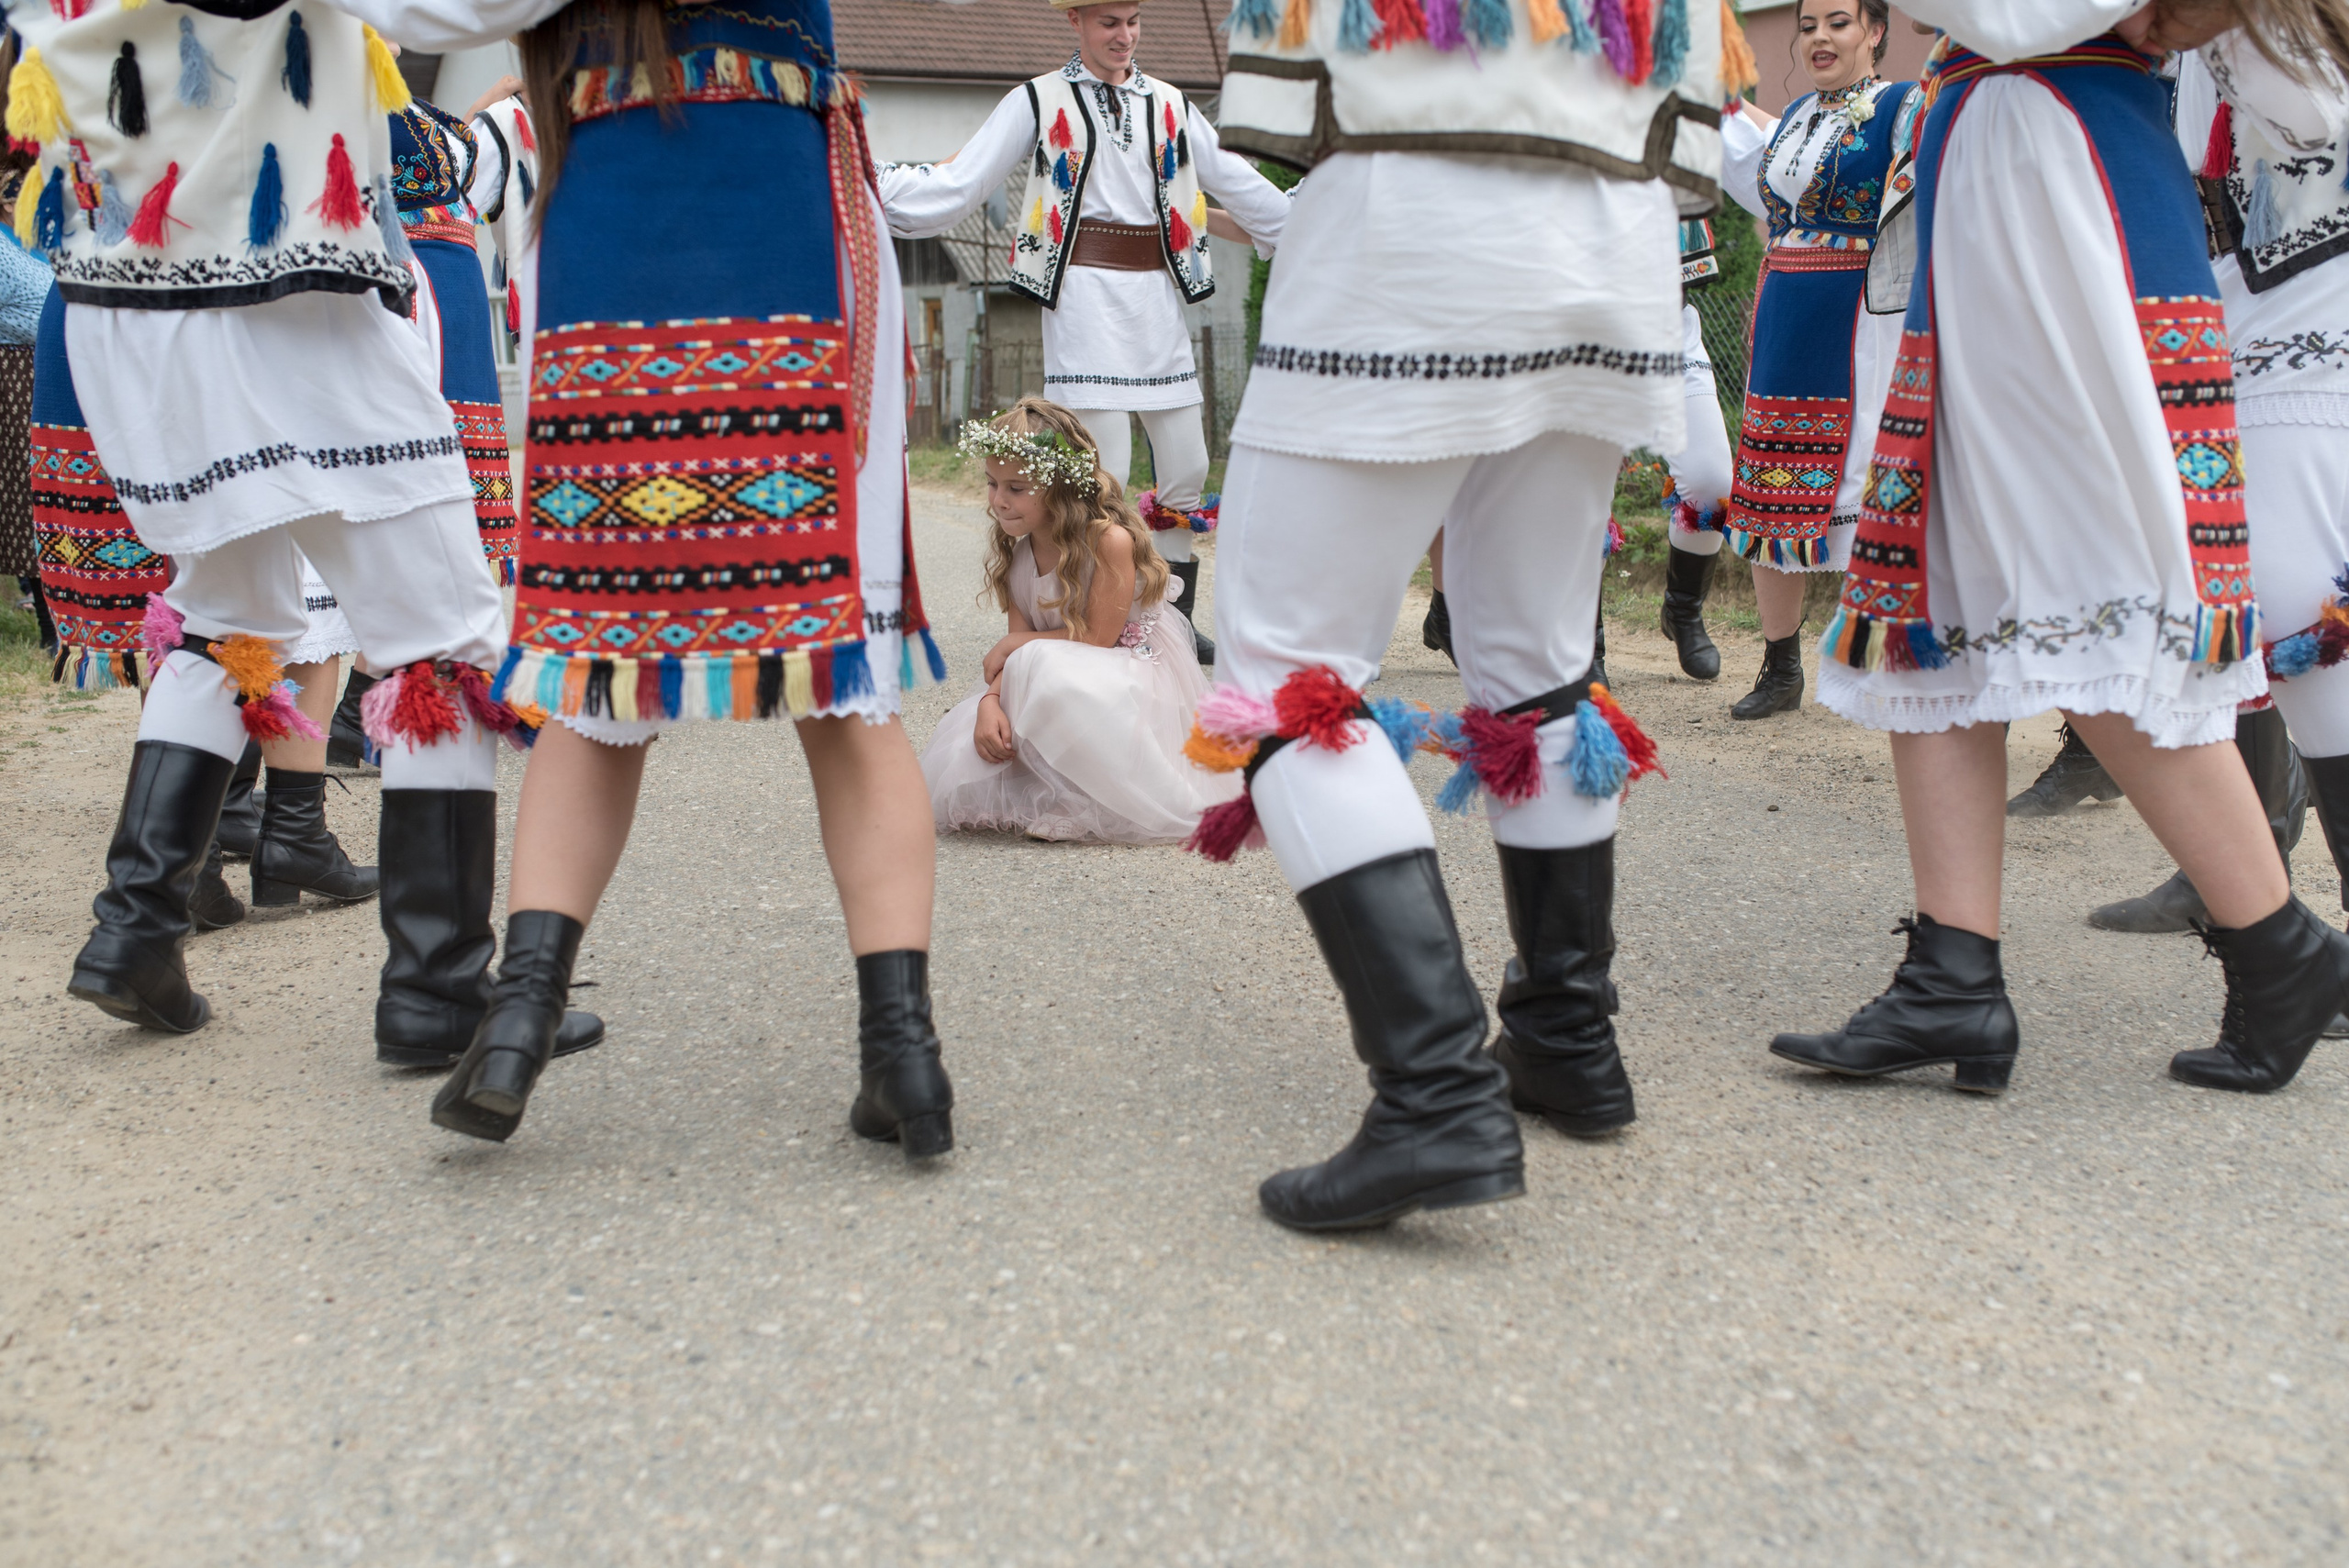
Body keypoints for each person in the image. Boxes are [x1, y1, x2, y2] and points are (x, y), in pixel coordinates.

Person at [345, 0, 957, 1155]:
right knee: (838, 676)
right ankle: (904, 1058)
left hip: (625, 224)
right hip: (789, 215)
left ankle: (516, 1022)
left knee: (597, 671)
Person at [1192, 0, 1728, 1229]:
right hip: (1612, 224)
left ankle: (1437, 1091)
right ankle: (1566, 1038)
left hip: (1416, 207)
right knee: (1537, 661)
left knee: (1283, 668)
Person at [1776, 0, 2349, 1098]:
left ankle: (2277, 941)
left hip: (2065, 204)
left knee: (2087, 589)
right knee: (1936, 590)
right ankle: (1952, 970)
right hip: (2012, 191)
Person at [10, 6, 582, 1073]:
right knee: (444, 634)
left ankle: (134, 927)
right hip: (287, 300)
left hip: (127, 305)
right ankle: (437, 984)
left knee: (231, 613)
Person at [873, 0, 1295, 666]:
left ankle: (1172, 616)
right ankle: (1113, 614)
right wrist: (866, 184)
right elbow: (964, 179)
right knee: (1106, 474)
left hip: (1157, 295)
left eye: (1132, 21)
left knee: (1187, 461)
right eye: (1108, 23)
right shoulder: (1037, 99)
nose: (1123, 36)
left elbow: (1236, 183)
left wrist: (1308, 214)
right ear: (1075, 21)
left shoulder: (1172, 103)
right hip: (1083, 298)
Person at [1718, 0, 1917, 719]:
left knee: (1875, 482)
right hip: (1786, 311)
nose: (1820, 38)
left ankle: (1895, 661)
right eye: (1808, 27)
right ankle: (1780, 666)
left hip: (1861, 319)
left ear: (1875, 30)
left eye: (1838, 22)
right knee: (1772, 483)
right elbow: (1753, 180)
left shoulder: (1904, 108)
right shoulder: (1797, 114)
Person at [924, 398, 1235, 841]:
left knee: (1041, 664)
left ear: (1061, 486)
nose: (999, 501)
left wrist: (1016, 647)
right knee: (992, 714)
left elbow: (1096, 638)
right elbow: (1020, 653)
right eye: (993, 484)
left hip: (1130, 674)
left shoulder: (1108, 541)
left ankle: (1085, 800)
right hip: (1062, 671)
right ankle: (1049, 786)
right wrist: (989, 702)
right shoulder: (1021, 551)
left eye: (1017, 487)